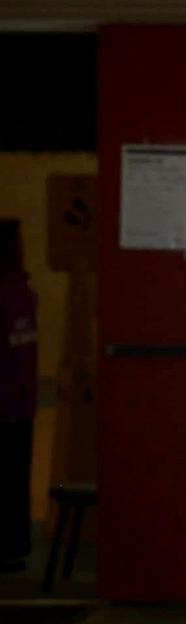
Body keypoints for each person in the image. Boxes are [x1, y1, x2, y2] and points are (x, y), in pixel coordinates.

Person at [0, 219, 37, 572]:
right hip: (21, 399)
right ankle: (14, 545)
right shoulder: (24, 289)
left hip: (7, 398)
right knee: (15, 478)